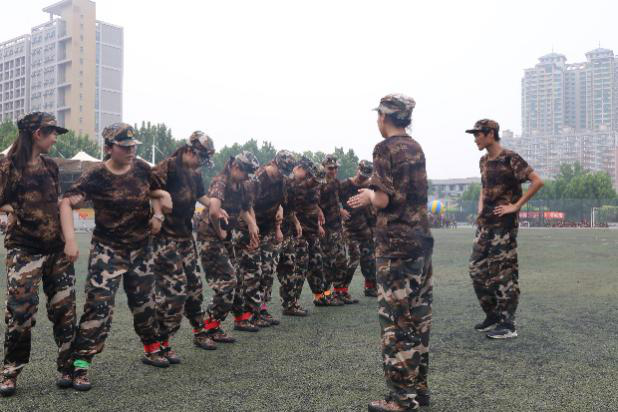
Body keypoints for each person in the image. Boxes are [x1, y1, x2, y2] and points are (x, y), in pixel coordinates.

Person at [60, 123, 173, 391]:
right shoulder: (96, 174)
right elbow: (66, 202)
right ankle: (81, 364)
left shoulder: (142, 168)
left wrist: (159, 213)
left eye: (134, 146)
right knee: (98, 306)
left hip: (141, 249)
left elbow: (156, 191)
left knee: (146, 303)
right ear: (109, 148)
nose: (131, 150)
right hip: (107, 251)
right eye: (125, 147)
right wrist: (71, 240)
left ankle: (152, 349)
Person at [349, 94, 433, 411]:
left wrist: (369, 195)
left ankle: (401, 399)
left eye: (378, 116)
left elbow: (383, 199)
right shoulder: (416, 148)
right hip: (420, 243)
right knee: (418, 318)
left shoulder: (384, 149)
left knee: (396, 322)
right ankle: (419, 390)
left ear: (384, 117)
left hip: (395, 248)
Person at [0, 112, 77, 396]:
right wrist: (11, 209)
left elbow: (58, 204)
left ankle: (68, 367)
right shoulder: (6, 166)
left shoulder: (51, 166)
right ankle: (10, 372)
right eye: (52, 132)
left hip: (56, 250)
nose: (55, 138)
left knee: (65, 311)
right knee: (20, 312)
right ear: (37, 134)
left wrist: (69, 240)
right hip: (23, 250)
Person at [465, 119, 544, 339]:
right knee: (476, 269)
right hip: (485, 225)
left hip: (504, 227)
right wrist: (480, 209)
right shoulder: (483, 161)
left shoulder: (510, 158)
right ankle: (493, 316)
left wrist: (515, 206)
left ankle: (508, 324)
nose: (475, 139)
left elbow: (537, 181)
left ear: (490, 134)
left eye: (478, 134)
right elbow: (484, 189)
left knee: (503, 273)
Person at [150, 131, 221, 362]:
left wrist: (217, 207)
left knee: (194, 287)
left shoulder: (195, 173)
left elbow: (201, 196)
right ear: (190, 151)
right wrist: (158, 213)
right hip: (165, 239)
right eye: (201, 158)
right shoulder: (168, 166)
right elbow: (148, 188)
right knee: (173, 291)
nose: (201, 164)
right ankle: (159, 344)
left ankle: (199, 332)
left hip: (185, 238)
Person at [196, 151, 260, 340]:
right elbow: (214, 211)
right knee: (228, 281)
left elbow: (243, 209)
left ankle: (239, 319)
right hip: (210, 236)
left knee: (237, 278)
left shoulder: (241, 185)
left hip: (225, 236)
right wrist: (220, 232)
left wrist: (252, 224)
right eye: (246, 172)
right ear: (235, 167)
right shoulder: (221, 182)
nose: (248, 176)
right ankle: (208, 325)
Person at [236, 150, 297, 327]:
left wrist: (278, 228)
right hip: (248, 227)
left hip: (268, 228)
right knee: (252, 272)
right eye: (282, 171)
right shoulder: (258, 179)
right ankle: (247, 314)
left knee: (268, 269)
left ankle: (261, 309)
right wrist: (253, 228)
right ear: (274, 163)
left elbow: (280, 205)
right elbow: (245, 206)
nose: (283, 175)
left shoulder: (283, 179)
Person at [336, 160, 377, 301]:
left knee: (369, 258)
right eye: (361, 174)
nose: (363, 178)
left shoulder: (370, 187)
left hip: (366, 228)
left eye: (366, 176)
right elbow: (332, 199)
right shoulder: (345, 185)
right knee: (354, 257)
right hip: (349, 228)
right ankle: (342, 290)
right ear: (357, 170)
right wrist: (340, 210)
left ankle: (370, 287)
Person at [318, 155, 350, 304]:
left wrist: (341, 211)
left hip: (337, 228)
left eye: (336, 168)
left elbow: (340, 200)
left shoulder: (337, 183)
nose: (334, 170)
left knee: (341, 260)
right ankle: (324, 295)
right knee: (327, 264)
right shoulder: (318, 183)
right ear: (323, 167)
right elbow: (312, 203)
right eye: (330, 168)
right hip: (325, 229)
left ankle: (339, 292)